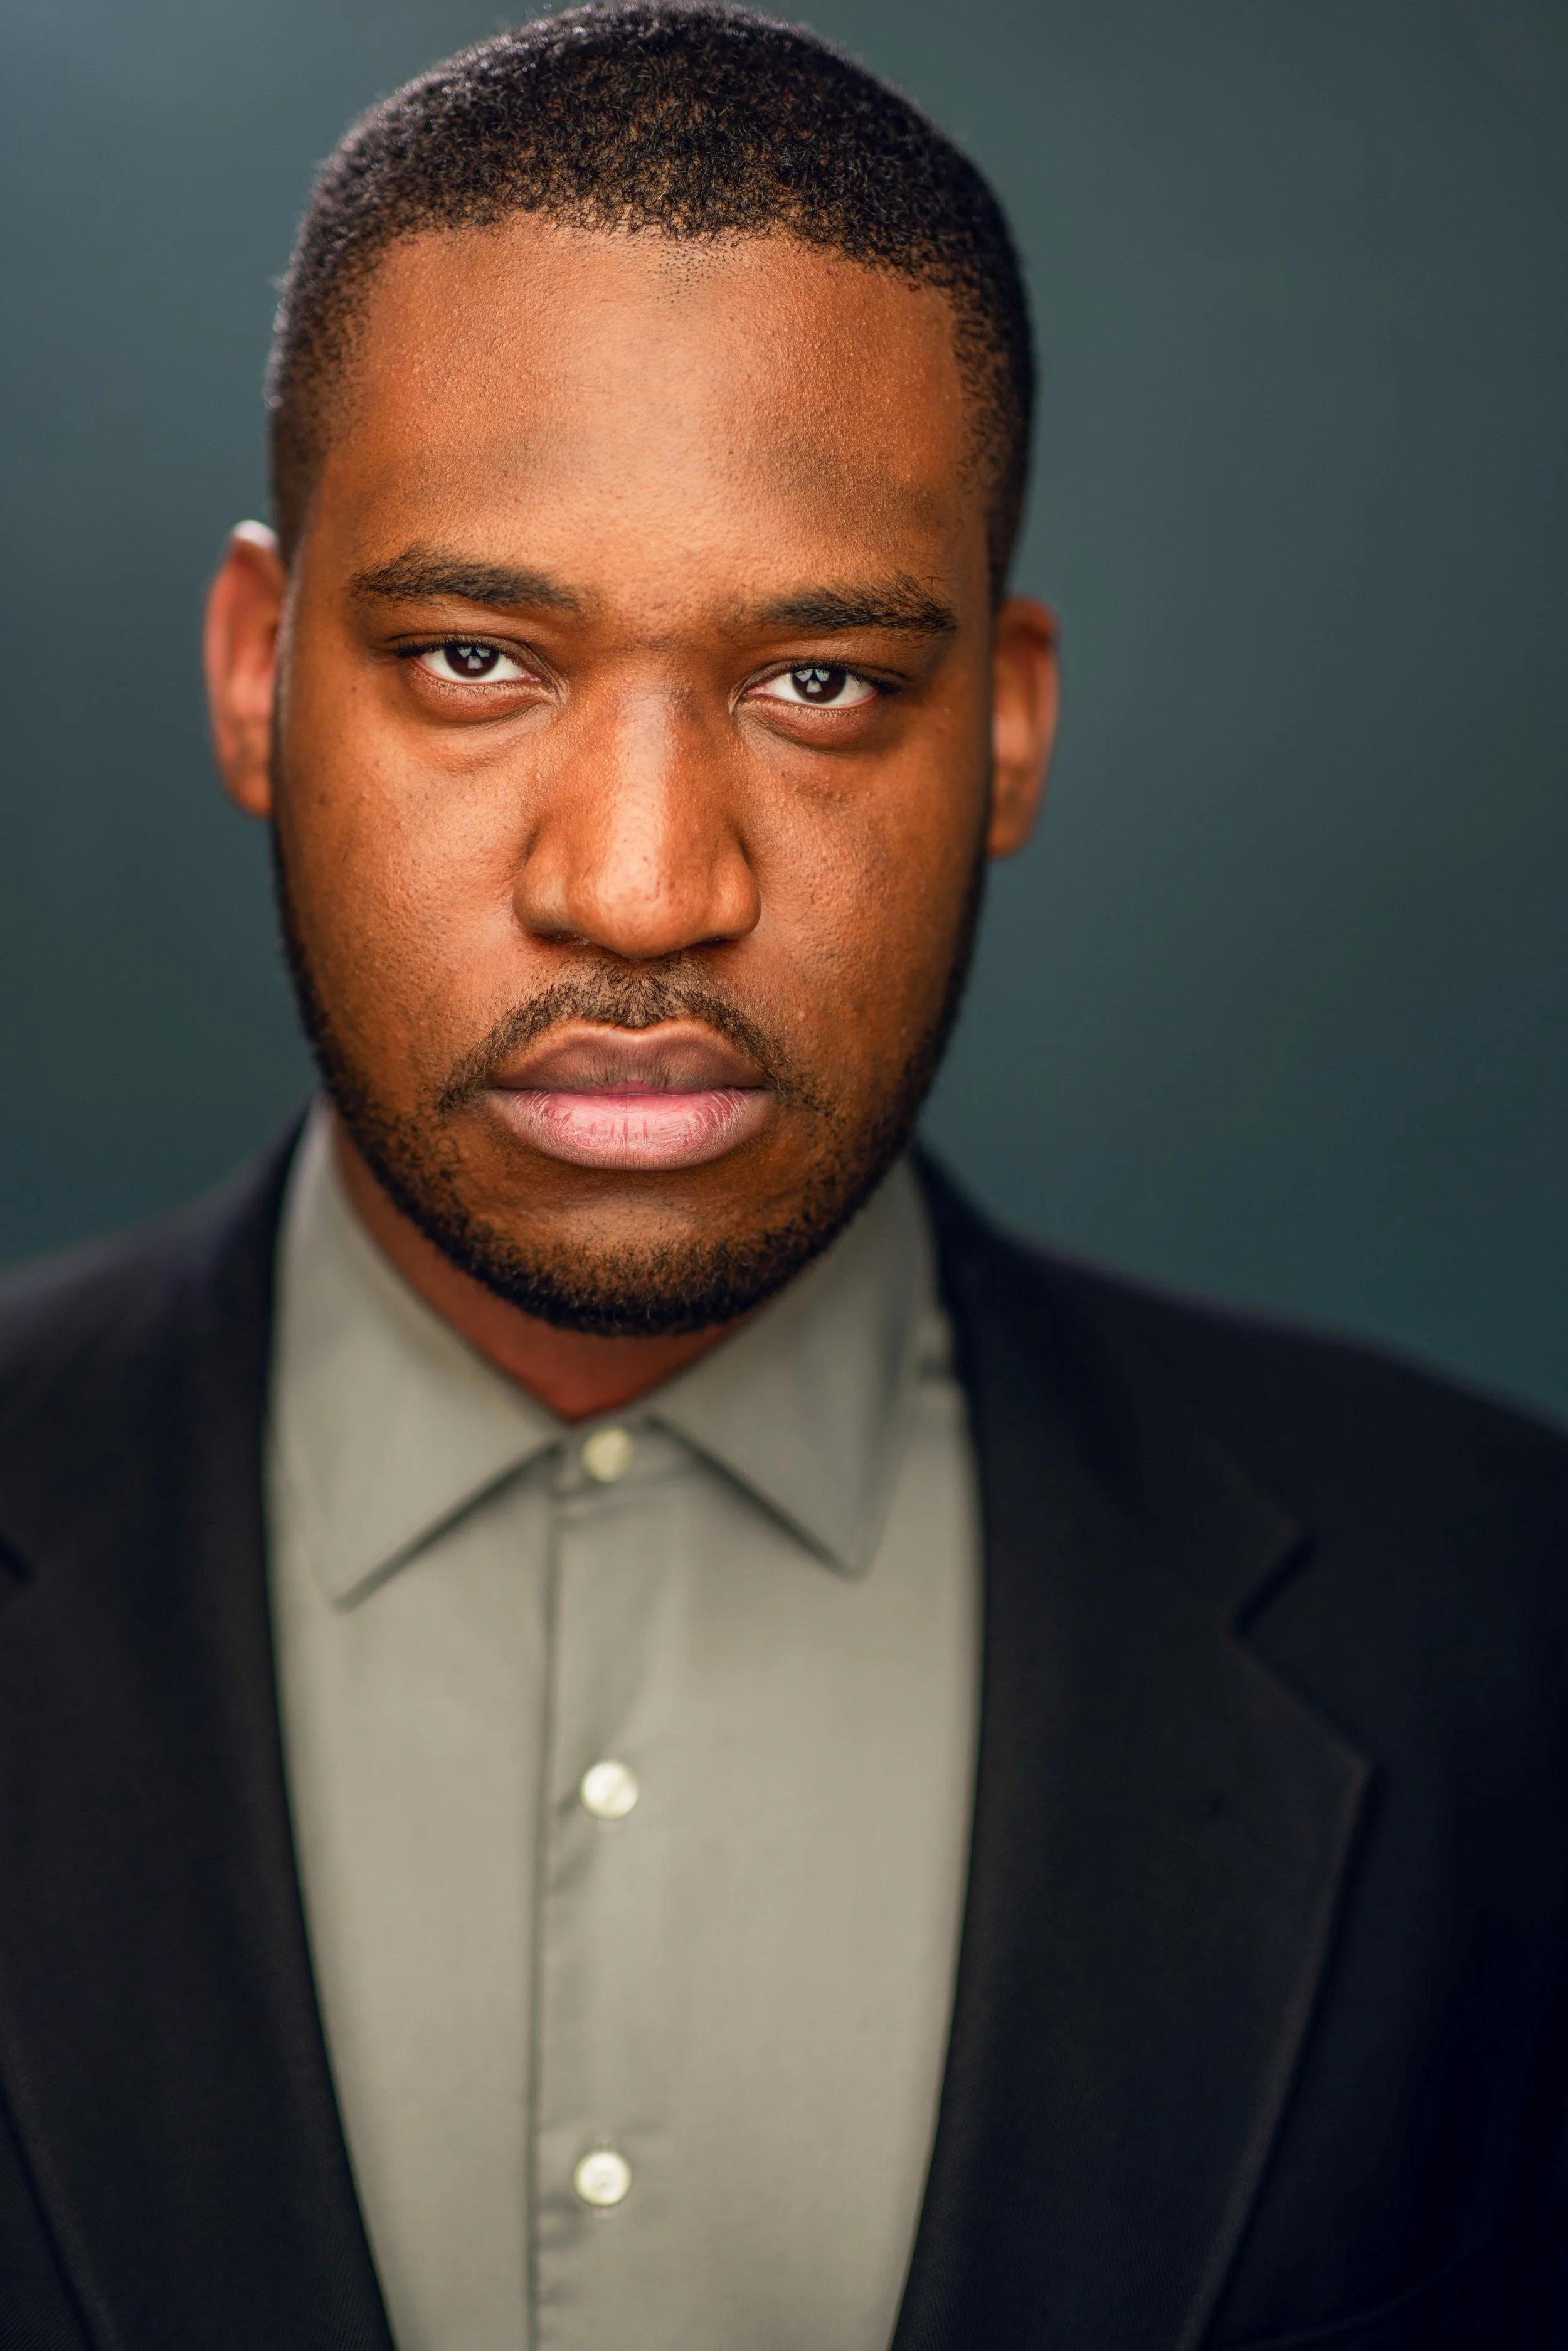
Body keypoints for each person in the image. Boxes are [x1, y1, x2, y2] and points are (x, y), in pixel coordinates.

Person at [0, 6, 1563, 2346]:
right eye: (472, 655)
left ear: (1005, 731)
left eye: (819, 682)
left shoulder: (1504, 1636)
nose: (643, 889)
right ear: (253, 675)